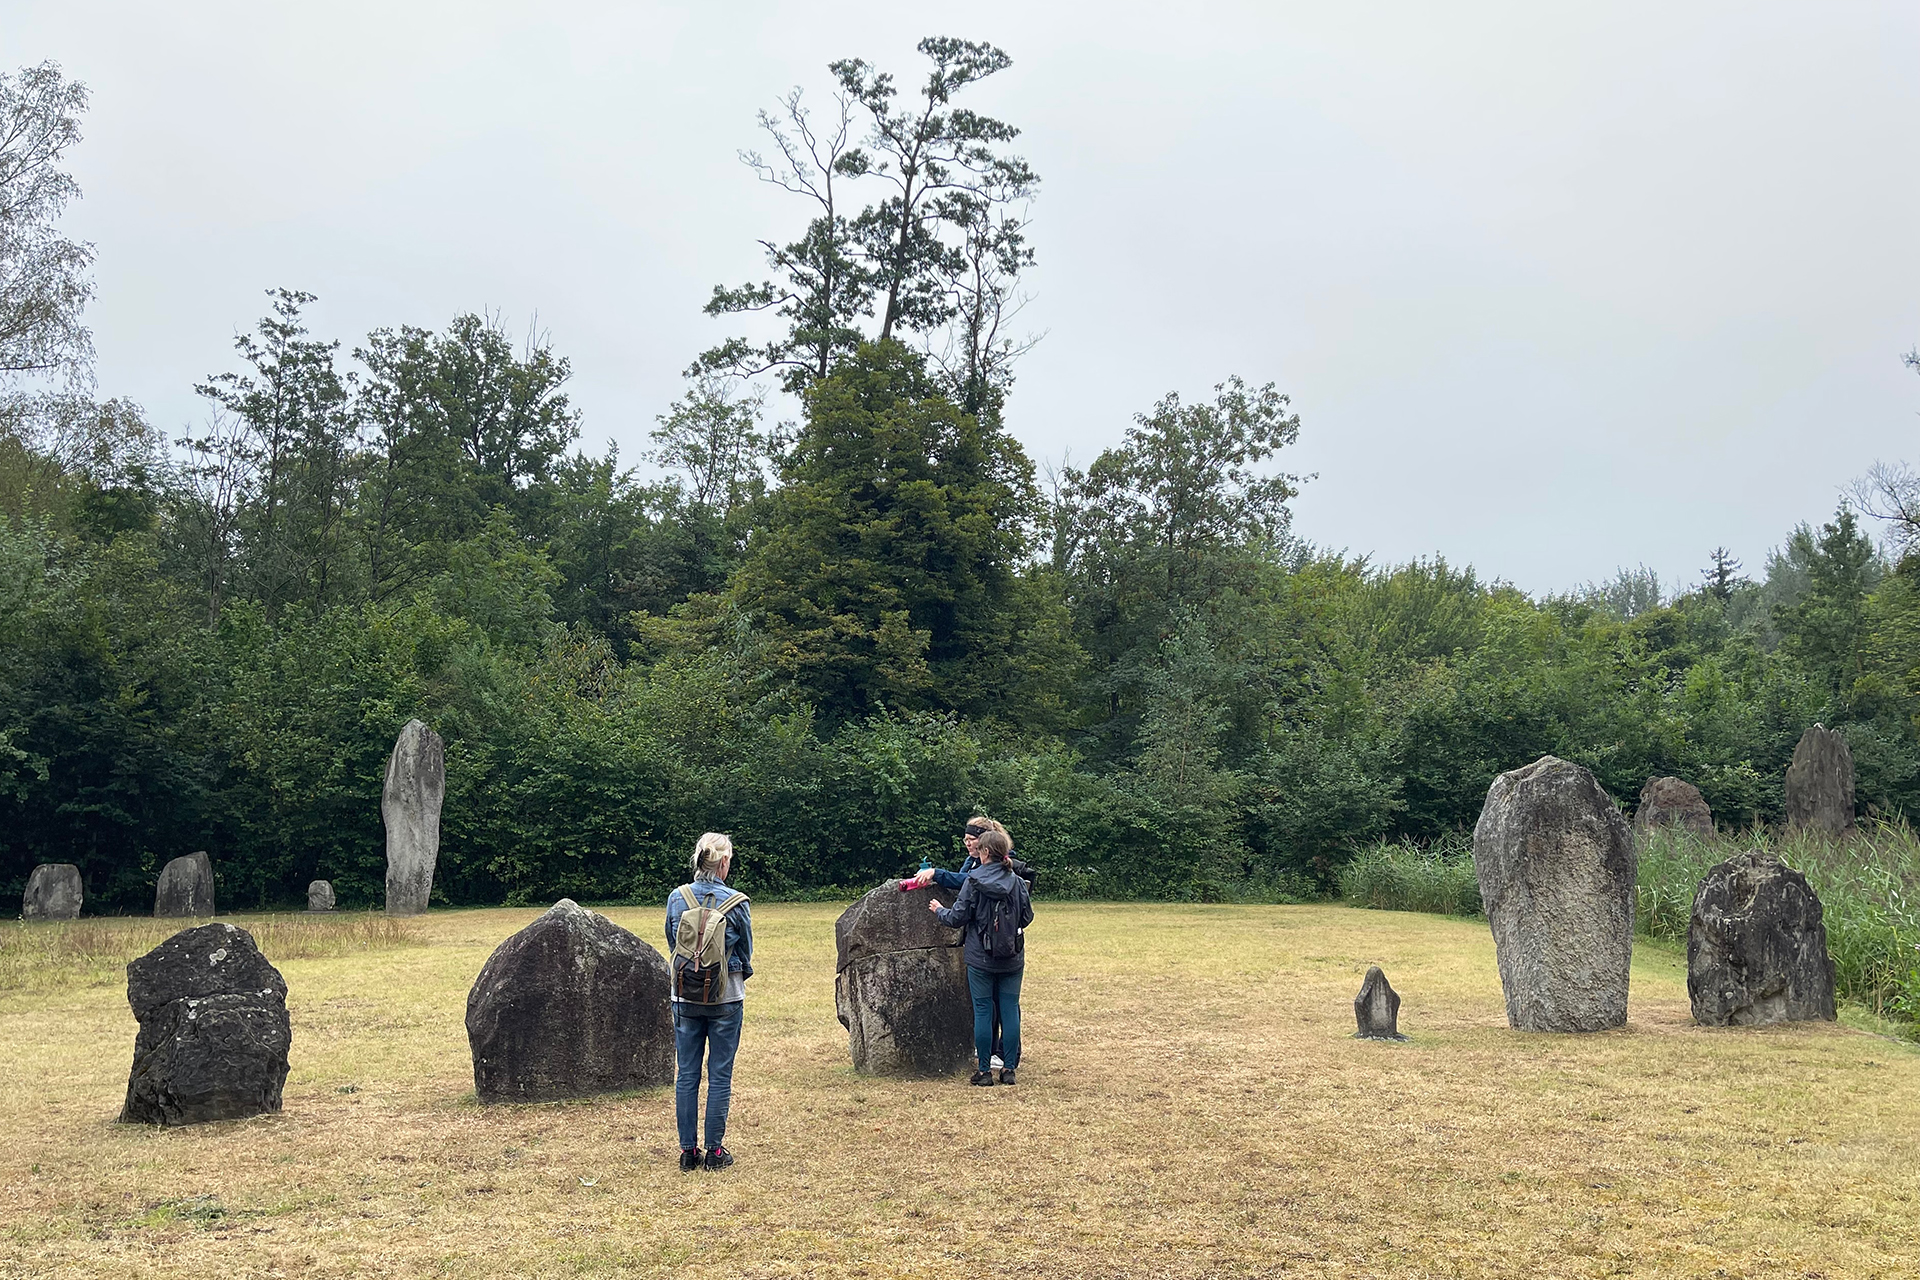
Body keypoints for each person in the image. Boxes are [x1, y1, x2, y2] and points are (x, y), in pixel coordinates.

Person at [913, 816, 1034, 1068]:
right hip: (1012, 953)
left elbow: (958, 915)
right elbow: (1027, 916)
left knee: (984, 1008)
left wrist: (938, 910)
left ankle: (985, 1064)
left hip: (980, 954)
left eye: (972, 841)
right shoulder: (1016, 878)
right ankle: (1009, 1064)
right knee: (1009, 1007)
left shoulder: (975, 877)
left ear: (986, 847)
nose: (968, 845)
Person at [665, 832, 753, 1171]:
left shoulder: (677, 897)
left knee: (686, 1074)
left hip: (684, 994)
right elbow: (745, 949)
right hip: (725, 996)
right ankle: (715, 1153)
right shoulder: (738, 902)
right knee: (720, 1075)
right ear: (724, 863)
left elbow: (673, 940)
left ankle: (689, 1152)